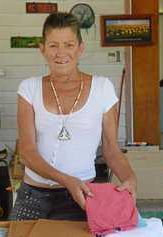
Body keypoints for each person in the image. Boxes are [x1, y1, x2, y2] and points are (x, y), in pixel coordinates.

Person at [10, 12, 137, 221]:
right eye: (53, 45)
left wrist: (130, 178)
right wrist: (67, 180)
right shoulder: (29, 88)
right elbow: (27, 152)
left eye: (69, 45)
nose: (61, 53)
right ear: (42, 49)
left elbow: (111, 149)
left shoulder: (102, 88)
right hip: (32, 196)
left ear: (80, 48)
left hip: (82, 197)